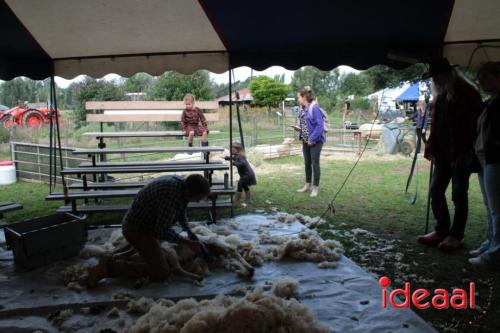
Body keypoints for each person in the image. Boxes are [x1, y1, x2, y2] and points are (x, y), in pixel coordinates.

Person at [86, 174, 210, 287]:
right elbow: (162, 230)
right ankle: (109, 267)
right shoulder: (171, 196)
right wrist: (186, 242)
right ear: (190, 192)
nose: (198, 201)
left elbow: (181, 213)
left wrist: (190, 233)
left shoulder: (180, 185)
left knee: (153, 252)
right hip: (137, 229)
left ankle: (115, 256)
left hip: (145, 225)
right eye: (198, 198)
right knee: (161, 272)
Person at [417, 58, 483, 251]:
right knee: (436, 190)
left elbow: (474, 126)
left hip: (461, 153)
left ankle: (456, 235)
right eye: (434, 77)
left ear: (448, 75)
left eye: (437, 76)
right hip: (443, 153)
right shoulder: (442, 95)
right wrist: (433, 146)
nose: (435, 81)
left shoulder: (466, 92)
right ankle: (442, 229)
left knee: (459, 193)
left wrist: (466, 152)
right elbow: (438, 125)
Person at [468, 62, 500, 266]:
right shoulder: (491, 101)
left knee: (498, 209)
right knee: (490, 207)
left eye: (485, 78)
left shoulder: (498, 103)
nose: (481, 83)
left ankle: (495, 254)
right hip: (485, 158)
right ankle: (490, 242)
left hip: (496, 159)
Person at [294, 86, 325, 197]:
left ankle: (315, 187)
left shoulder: (314, 108)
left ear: (304, 97)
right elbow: (304, 123)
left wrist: (312, 139)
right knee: (307, 163)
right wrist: (298, 128)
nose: (298, 99)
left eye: (299, 97)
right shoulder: (302, 108)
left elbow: (320, 126)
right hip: (305, 140)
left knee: (315, 163)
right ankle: (307, 184)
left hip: (316, 140)